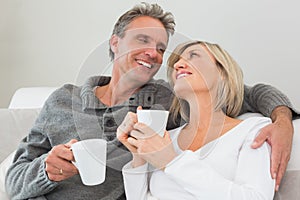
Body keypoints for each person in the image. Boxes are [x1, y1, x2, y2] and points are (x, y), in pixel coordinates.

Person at [5, 2, 297, 200]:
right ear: (114, 42)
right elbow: (13, 180)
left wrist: (282, 120)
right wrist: (46, 170)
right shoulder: (61, 100)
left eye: (160, 48)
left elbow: (246, 91)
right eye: (142, 40)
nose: (154, 54)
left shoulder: (167, 99)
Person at [118, 40, 276, 199]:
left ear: (222, 72)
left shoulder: (253, 129)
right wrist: (138, 156)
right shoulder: (165, 139)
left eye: (193, 55)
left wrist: (172, 162)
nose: (178, 64)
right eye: (176, 62)